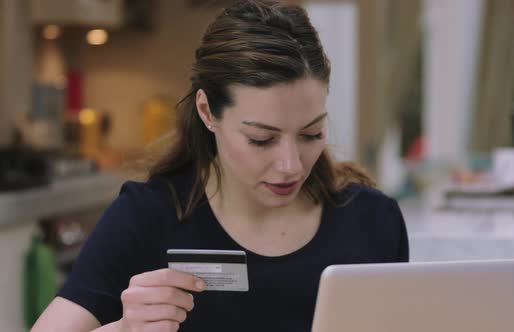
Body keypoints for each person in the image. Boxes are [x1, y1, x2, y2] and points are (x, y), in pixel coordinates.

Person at [31, 0, 409, 331]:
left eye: (311, 134)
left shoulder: (374, 222)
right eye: (262, 139)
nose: (291, 165)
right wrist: (125, 330)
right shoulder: (147, 216)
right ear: (207, 111)